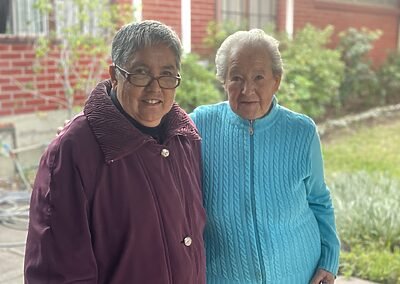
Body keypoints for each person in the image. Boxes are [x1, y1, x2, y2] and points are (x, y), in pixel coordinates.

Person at [24, 20, 206, 284]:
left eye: (167, 75)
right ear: (115, 74)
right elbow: (56, 274)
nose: (155, 88)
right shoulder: (73, 150)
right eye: (140, 73)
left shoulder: (185, 137)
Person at [190, 29, 340, 283]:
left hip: (298, 273)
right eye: (236, 77)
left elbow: (318, 199)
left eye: (259, 77)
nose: (247, 89)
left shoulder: (301, 132)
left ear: (276, 80)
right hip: (225, 275)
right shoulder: (200, 125)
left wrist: (330, 258)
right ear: (223, 81)